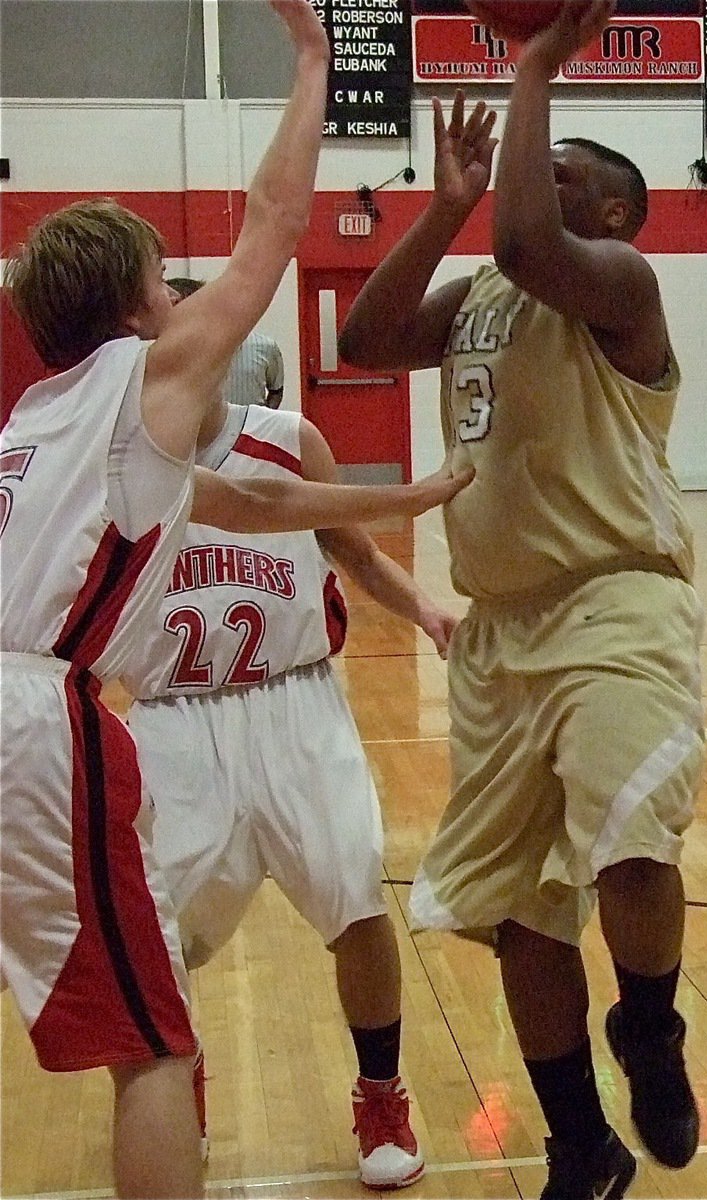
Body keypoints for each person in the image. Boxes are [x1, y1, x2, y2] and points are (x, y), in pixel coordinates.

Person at [0, 3, 469, 1197]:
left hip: (209, 706)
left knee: (153, 999)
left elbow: (251, 507)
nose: (184, 292)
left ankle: (369, 1092)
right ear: (134, 305)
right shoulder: (138, 380)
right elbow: (274, 221)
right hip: (70, 720)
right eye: (167, 278)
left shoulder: (38, 421)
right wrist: (312, 59)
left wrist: (407, 495)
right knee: (153, 1035)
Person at [338, 3, 704, 1198]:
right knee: (516, 913)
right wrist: (438, 205)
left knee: (629, 847)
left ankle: (647, 1027)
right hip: (496, 636)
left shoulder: (616, 282)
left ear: (606, 212)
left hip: (614, 606)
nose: (517, 180)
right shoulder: (487, 298)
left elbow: (524, 245)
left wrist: (536, 63)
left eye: (549, 173)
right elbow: (369, 332)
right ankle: (578, 1147)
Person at [120, 382, 458, 1189]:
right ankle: (175, 1088)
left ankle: (381, 1095)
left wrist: (427, 612)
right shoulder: (116, 459)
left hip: (295, 703)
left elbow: (356, 552)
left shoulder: (285, 438)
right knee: (159, 937)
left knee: (356, 897)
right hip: (171, 719)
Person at [168, 278, 284, 409]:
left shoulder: (266, 347)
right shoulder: (183, 350)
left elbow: (276, 391)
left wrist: (261, 421)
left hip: (250, 427)